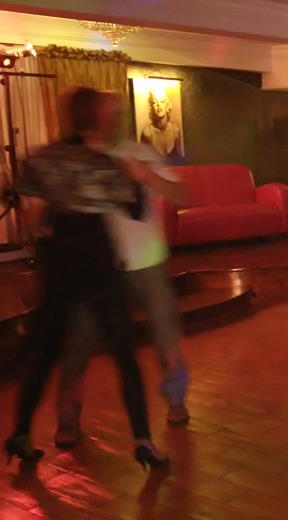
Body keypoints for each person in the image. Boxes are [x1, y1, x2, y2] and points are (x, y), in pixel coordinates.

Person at [5, 88, 168, 470]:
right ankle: (143, 440)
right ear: (97, 117)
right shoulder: (105, 164)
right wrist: (135, 175)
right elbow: (136, 209)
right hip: (98, 261)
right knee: (124, 354)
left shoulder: (46, 158)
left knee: (45, 351)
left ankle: (21, 434)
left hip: (61, 260)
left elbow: (29, 210)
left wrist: (47, 227)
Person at [53, 109, 192, 450]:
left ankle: (176, 401)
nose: (107, 121)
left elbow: (182, 195)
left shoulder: (140, 153)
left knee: (166, 337)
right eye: (101, 114)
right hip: (100, 270)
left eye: (112, 115)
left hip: (148, 264)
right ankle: (68, 417)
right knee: (80, 343)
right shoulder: (80, 158)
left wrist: (145, 175)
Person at [140, 87, 183, 158]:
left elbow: (180, 158)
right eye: (154, 102)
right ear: (151, 107)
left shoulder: (175, 130)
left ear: (168, 105)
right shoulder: (147, 133)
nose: (158, 105)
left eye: (162, 101)